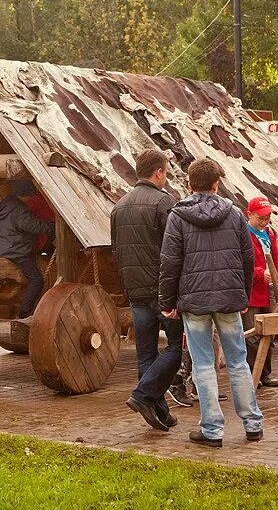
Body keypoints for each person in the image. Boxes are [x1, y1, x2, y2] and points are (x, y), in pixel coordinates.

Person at [158, 157, 263, 447]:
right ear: (217, 184)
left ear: (189, 184)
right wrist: (242, 294)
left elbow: (170, 263)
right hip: (229, 299)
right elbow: (247, 258)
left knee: (203, 364)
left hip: (194, 300)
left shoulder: (178, 217)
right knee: (237, 361)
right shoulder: (235, 215)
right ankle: (252, 422)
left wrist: (167, 301)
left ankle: (212, 429)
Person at [111, 148, 180, 432]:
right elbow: (174, 251)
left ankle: (157, 410)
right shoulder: (165, 203)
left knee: (146, 354)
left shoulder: (119, 206)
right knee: (176, 348)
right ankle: (142, 396)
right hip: (162, 291)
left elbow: (116, 251)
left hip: (135, 290)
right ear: (159, 172)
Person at [244, 196, 278, 388]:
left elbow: (275, 263)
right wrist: (260, 274)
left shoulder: (270, 234)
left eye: (268, 218)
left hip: (269, 290)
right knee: (252, 335)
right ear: (249, 214)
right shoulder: (243, 234)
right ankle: (252, 375)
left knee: (271, 333)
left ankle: (265, 373)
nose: (265, 222)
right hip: (251, 292)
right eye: (261, 218)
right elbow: (241, 264)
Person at [0, 178, 54, 318]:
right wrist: (53, 227)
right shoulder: (18, 209)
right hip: (16, 252)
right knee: (37, 281)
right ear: (25, 194)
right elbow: (32, 226)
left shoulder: (5, 204)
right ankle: (24, 313)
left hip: (3, 249)